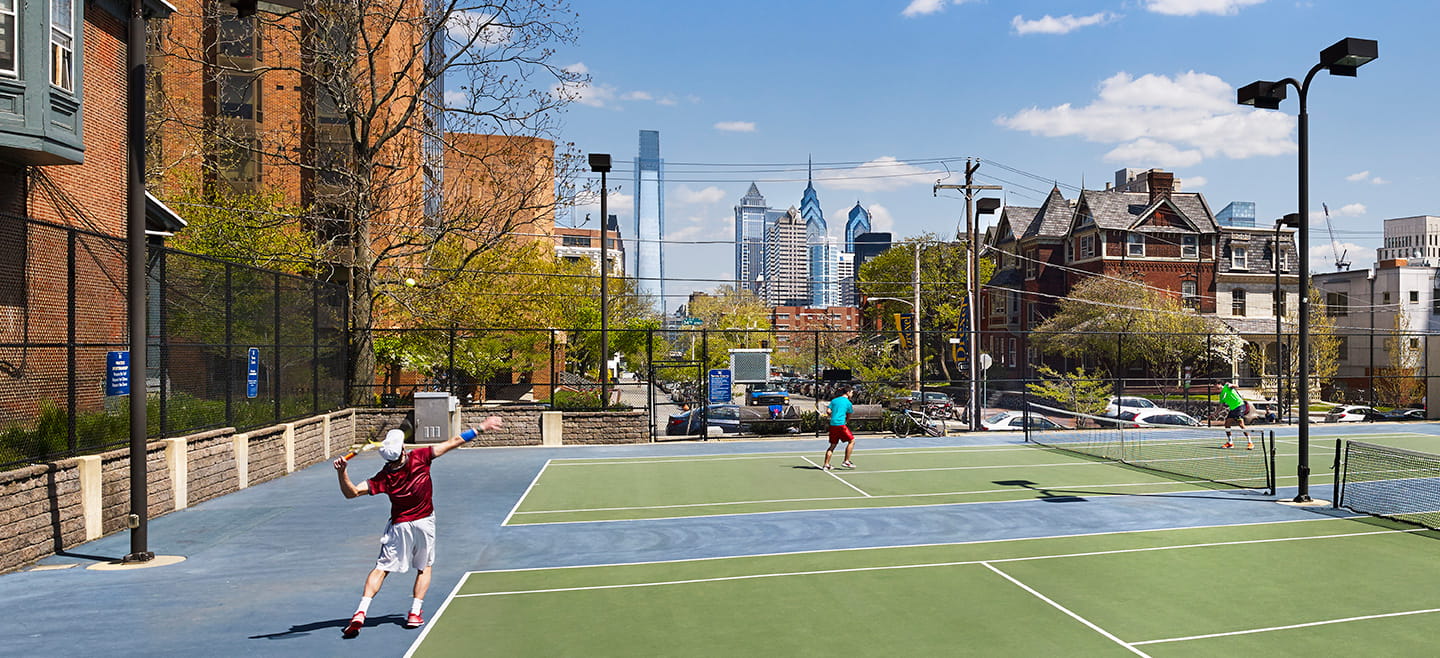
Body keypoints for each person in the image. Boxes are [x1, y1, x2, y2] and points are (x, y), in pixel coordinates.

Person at [334, 416, 503, 638]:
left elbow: (352, 493)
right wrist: (481, 427)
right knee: (424, 567)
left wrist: (341, 472)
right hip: (425, 523)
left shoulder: (383, 477)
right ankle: (414, 613)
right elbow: (453, 441)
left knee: (381, 569)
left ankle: (360, 612)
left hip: (399, 527)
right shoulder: (420, 457)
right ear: (403, 449)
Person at [822, 386, 856, 470]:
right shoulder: (848, 402)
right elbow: (849, 414)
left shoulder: (834, 400)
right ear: (847, 392)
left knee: (832, 445)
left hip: (833, 424)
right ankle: (846, 461)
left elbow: (828, 411)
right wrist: (846, 421)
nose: (852, 394)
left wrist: (832, 416)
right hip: (841, 425)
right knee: (852, 441)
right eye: (851, 392)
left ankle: (826, 464)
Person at [1219, 381, 1253, 450]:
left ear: (1219, 384)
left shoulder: (1227, 386)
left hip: (1239, 406)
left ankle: (1250, 442)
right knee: (1227, 424)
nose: (1214, 388)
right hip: (1233, 409)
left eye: (1214, 385)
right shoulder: (1221, 395)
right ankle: (1230, 442)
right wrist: (1214, 414)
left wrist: (1232, 385)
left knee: (1241, 424)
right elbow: (1220, 406)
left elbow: (1236, 386)